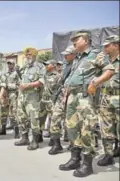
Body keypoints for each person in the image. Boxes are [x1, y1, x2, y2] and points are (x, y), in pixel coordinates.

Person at [59, 30, 114, 177]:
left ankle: (87, 164)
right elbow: (71, 77)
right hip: (72, 96)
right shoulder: (77, 58)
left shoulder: (96, 54)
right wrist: (66, 92)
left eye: (77, 39)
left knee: (86, 129)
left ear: (86, 40)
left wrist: (95, 82)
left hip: (85, 97)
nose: (74, 42)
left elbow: (109, 70)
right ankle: (75, 158)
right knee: (71, 127)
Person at [14, 47, 46, 150]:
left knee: (34, 119)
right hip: (22, 96)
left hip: (33, 97)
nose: (27, 57)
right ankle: (24, 138)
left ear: (34, 55)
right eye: (26, 55)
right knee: (21, 117)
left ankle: (35, 141)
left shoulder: (40, 67)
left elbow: (41, 82)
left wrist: (28, 85)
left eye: (29, 55)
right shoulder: (25, 67)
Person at [48, 45, 76, 155]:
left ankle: (73, 144)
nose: (65, 56)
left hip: (72, 97)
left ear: (74, 54)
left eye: (67, 55)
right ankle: (57, 145)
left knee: (71, 123)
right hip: (61, 97)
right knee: (55, 118)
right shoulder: (65, 65)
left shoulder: (78, 65)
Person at [97, 35, 120, 166]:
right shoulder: (104, 61)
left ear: (116, 45)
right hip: (105, 97)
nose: (104, 48)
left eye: (107, 45)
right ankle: (108, 155)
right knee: (106, 127)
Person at [1, 59, 20, 139]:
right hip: (5, 94)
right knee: (3, 112)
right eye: (8, 64)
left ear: (13, 65)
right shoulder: (4, 74)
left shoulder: (16, 74)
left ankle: (16, 131)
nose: (9, 65)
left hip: (13, 94)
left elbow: (19, 85)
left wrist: (10, 86)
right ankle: (3, 129)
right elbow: (2, 84)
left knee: (13, 113)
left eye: (11, 64)